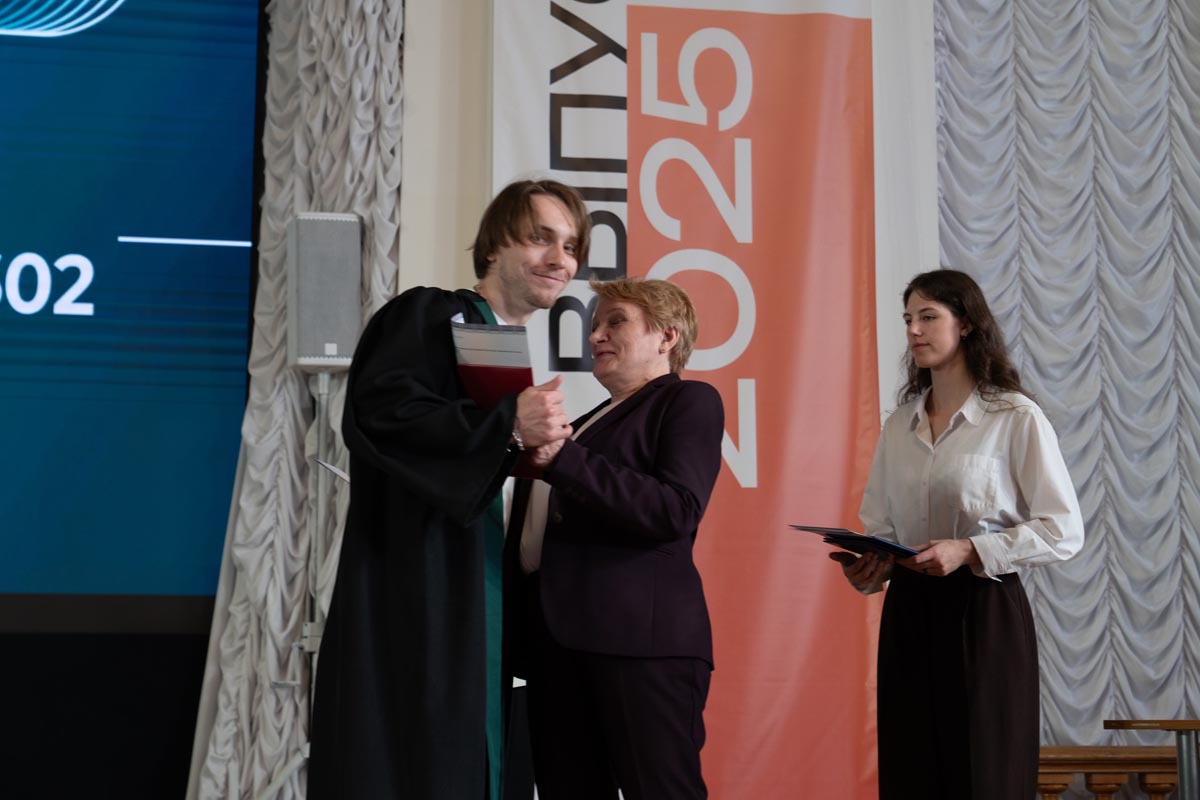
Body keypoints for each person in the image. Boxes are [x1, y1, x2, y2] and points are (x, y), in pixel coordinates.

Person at [307, 179, 592, 800]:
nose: (559, 259)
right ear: (494, 245)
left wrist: (526, 455)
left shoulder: (505, 351)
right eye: (540, 237)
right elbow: (382, 415)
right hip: (420, 583)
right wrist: (506, 426)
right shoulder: (431, 315)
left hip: (480, 592)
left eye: (571, 246)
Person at [833, 268, 1084, 799]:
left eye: (928, 317)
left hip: (984, 611)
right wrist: (870, 569)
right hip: (909, 613)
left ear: (966, 323)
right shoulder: (899, 424)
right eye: (908, 318)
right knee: (911, 774)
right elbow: (880, 524)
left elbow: (1063, 530)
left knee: (985, 774)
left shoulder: (1013, 416)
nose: (913, 330)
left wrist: (970, 549)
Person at [506, 277, 724, 800]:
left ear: (667, 336)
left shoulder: (688, 400)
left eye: (615, 321)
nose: (596, 335)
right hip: (553, 642)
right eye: (594, 324)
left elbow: (675, 509)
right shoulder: (582, 425)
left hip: (639, 644)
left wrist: (562, 458)